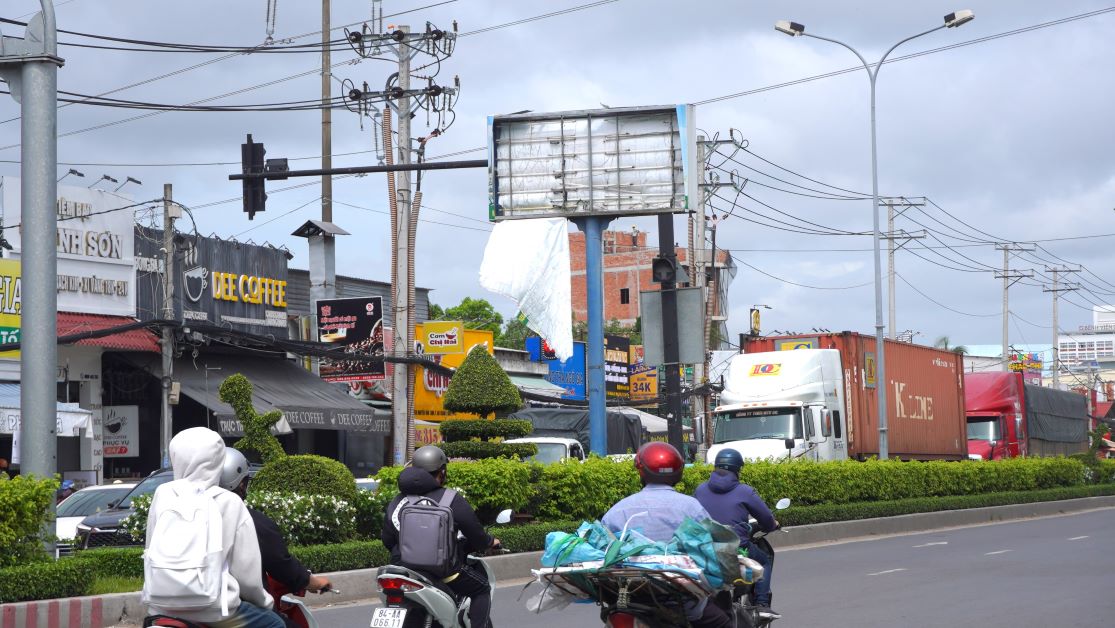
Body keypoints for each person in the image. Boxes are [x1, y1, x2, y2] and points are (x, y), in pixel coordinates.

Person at [143, 427, 284, 628]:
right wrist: (264, 602)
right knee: (275, 624)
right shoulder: (229, 501)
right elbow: (247, 573)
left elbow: (150, 547)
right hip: (216, 610)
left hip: (160, 606)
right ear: (218, 459)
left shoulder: (163, 494)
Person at [601, 442, 732, 628]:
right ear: (678, 473)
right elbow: (712, 548)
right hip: (683, 604)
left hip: (628, 601)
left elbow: (602, 549)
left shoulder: (617, 510)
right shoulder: (691, 507)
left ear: (641, 471)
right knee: (724, 623)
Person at [381, 445, 502, 628]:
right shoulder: (451, 498)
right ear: (442, 472)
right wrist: (490, 542)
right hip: (443, 571)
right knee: (481, 588)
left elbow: (387, 540)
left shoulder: (398, 500)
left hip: (403, 569)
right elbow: (476, 536)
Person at [219, 447, 332, 628]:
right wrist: (309, 581)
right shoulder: (247, 520)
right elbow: (279, 564)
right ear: (240, 483)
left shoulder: (187, 515)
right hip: (226, 607)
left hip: (170, 605)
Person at [694, 448, 780, 619]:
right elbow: (766, 519)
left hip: (705, 550)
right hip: (736, 549)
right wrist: (773, 525)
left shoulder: (701, 489)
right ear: (737, 469)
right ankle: (762, 605)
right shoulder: (745, 491)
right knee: (764, 560)